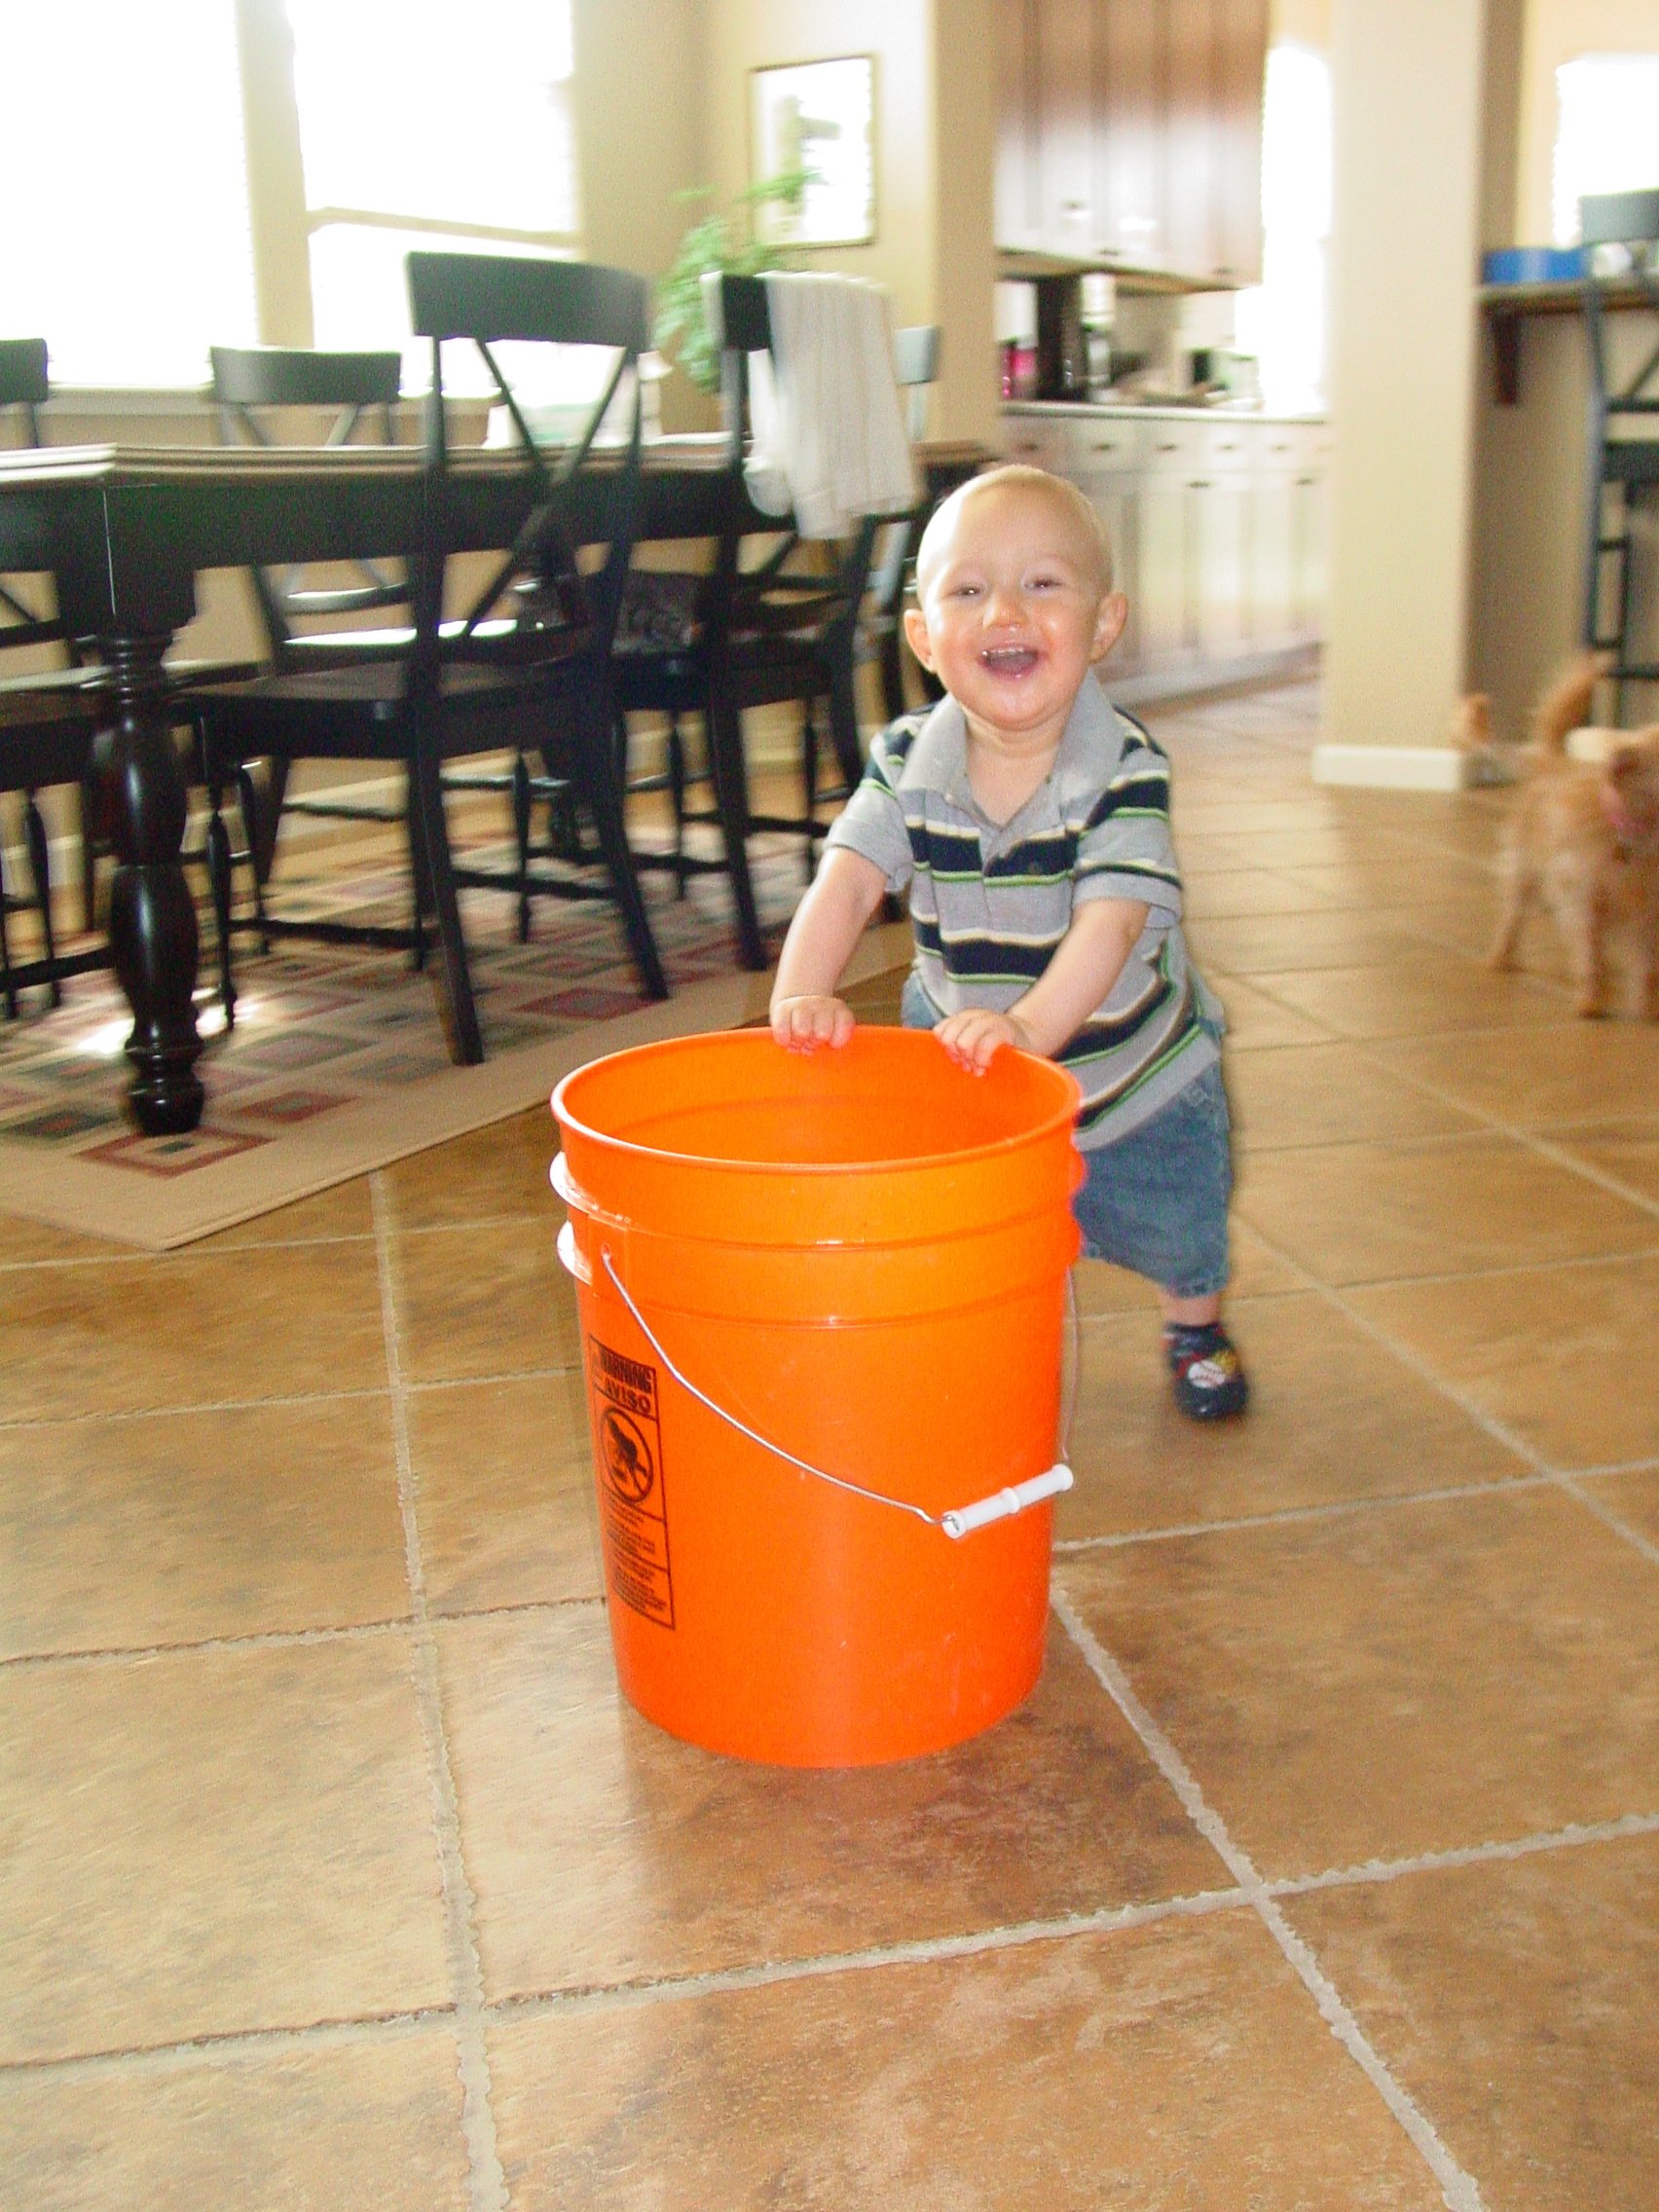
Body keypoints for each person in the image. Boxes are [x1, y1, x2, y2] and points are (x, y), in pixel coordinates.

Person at [769, 462, 1247, 1419]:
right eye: (969, 590)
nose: (1005, 614)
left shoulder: (1124, 765)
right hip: (971, 1046)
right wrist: (799, 992)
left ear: (1104, 623)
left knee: (1173, 1211)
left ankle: (1194, 1320)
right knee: (969, 1211)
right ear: (924, 637)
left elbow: (1111, 921)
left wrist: (1033, 1026)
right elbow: (850, 877)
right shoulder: (907, 757)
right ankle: (974, 1314)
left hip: (1131, 1065)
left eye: (1042, 584)